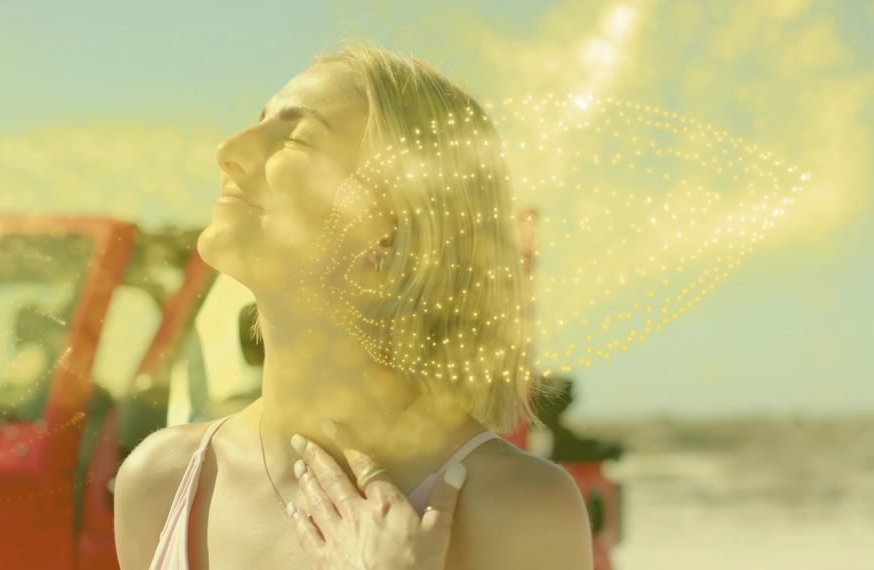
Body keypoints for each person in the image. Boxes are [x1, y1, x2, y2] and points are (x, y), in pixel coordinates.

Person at [114, 40, 593, 570]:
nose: (228, 150)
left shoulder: (516, 512)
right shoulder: (163, 482)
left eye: (295, 137)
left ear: (393, 230)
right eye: (258, 122)